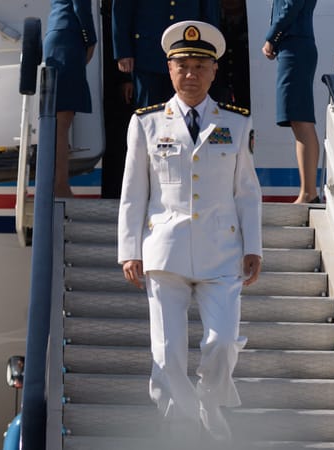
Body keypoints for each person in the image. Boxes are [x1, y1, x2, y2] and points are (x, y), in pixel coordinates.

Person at [117, 20, 263, 443]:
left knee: (222, 342)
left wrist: (253, 246)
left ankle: (209, 404)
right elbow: (133, 193)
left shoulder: (236, 123)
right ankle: (182, 424)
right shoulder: (146, 123)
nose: (191, 74)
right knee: (167, 353)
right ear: (169, 69)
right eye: (182, 66)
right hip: (165, 251)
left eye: (200, 66)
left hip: (222, 252)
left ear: (214, 71)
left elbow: (246, 191)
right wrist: (130, 249)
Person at [262, 0, 320, 203]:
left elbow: (291, 5)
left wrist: (271, 38)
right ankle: (308, 191)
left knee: (301, 120)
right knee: (298, 120)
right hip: (293, 46)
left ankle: (309, 192)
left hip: (295, 46)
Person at [112, 0, 220, 108]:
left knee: (186, 108)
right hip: (148, 54)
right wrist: (123, 51)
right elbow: (122, 10)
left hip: (188, 53)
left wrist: (211, 51)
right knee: (150, 111)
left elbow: (210, 12)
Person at [44, 0, 99, 197]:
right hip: (68, 38)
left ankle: (59, 185)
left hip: (60, 35)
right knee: (62, 121)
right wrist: (91, 39)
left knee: (59, 122)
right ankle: (60, 187)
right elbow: (81, 7)